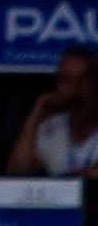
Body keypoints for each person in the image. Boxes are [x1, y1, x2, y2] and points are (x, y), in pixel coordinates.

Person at [7, 47, 98, 176]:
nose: (75, 87)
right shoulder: (51, 127)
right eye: (66, 80)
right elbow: (18, 170)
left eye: (83, 79)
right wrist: (38, 109)